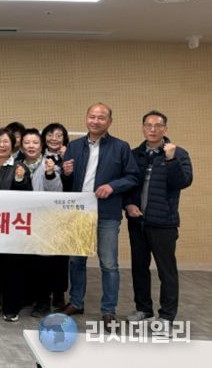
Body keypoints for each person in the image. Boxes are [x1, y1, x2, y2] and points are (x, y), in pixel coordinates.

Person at [60, 103, 140, 331]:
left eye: (101, 117)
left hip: (107, 213)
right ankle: (76, 302)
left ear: (109, 121)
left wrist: (113, 186)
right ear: (86, 118)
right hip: (78, 212)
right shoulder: (74, 146)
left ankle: (108, 310)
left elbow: (133, 177)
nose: (95, 121)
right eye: (92, 116)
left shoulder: (121, 147)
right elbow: (66, 183)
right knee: (76, 261)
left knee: (109, 264)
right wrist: (66, 173)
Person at [125, 111, 193, 324]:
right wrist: (129, 204)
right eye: (148, 125)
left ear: (165, 128)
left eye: (158, 125)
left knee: (166, 271)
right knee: (139, 268)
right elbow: (128, 184)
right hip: (138, 222)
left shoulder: (178, 153)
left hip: (164, 223)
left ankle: (166, 316)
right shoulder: (135, 154)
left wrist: (171, 159)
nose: (153, 129)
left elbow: (182, 182)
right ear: (143, 128)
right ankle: (144, 310)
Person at [0, 128, 32, 322]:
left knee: (12, 267)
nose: (1, 145)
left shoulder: (20, 167)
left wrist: (19, 179)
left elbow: (27, 197)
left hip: (11, 226)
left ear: (13, 146)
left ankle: (11, 307)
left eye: (6, 142)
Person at [19, 128, 62, 317]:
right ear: (21, 146)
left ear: (41, 146)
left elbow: (56, 191)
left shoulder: (50, 165)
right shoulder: (17, 164)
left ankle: (43, 301)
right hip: (21, 221)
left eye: (35, 142)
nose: (31, 146)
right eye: (27, 142)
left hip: (44, 221)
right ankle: (27, 297)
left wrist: (50, 173)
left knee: (43, 263)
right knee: (26, 261)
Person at [40, 123, 70, 309]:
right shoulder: (37, 156)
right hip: (40, 213)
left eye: (59, 135)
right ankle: (42, 294)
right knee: (42, 255)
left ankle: (59, 293)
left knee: (60, 255)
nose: (54, 138)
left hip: (62, 213)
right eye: (50, 134)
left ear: (65, 139)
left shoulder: (71, 157)